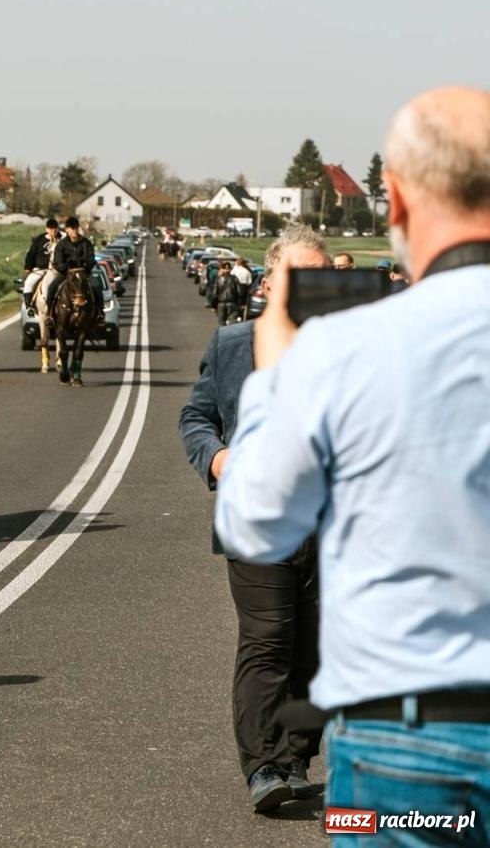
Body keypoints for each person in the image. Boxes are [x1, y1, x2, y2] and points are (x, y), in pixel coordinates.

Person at [216, 86, 490, 824]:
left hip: (406, 735)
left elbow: (251, 523)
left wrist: (275, 378)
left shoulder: (348, 349)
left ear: (394, 200)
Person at [179, 224, 331, 813]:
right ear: (269, 283)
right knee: (268, 639)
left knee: (314, 648)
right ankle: (264, 767)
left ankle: (295, 755)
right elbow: (196, 417)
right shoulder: (232, 345)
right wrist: (216, 457)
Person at [45, 216, 103, 313]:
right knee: (51, 288)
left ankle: (100, 312)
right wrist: (66, 268)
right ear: (67, 230)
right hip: (66, 274)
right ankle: (49, 314)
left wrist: (85, 266)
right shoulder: (61, 245)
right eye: (72, 228)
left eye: (76, 228)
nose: (75, 230)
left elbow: (92, 259)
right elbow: (57, 262)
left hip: (84, 274)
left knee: (96, 286)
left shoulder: (86, 243)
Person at [22, 217, 62, 312]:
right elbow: (30, 254)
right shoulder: (39, 240)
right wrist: (28, 268)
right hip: (39, 269)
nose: (53, 230)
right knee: (28, 283)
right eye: (51, 228)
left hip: (56, 271)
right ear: (46, 229)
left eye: (55, 228)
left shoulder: (62, 241)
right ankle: (29, 306)